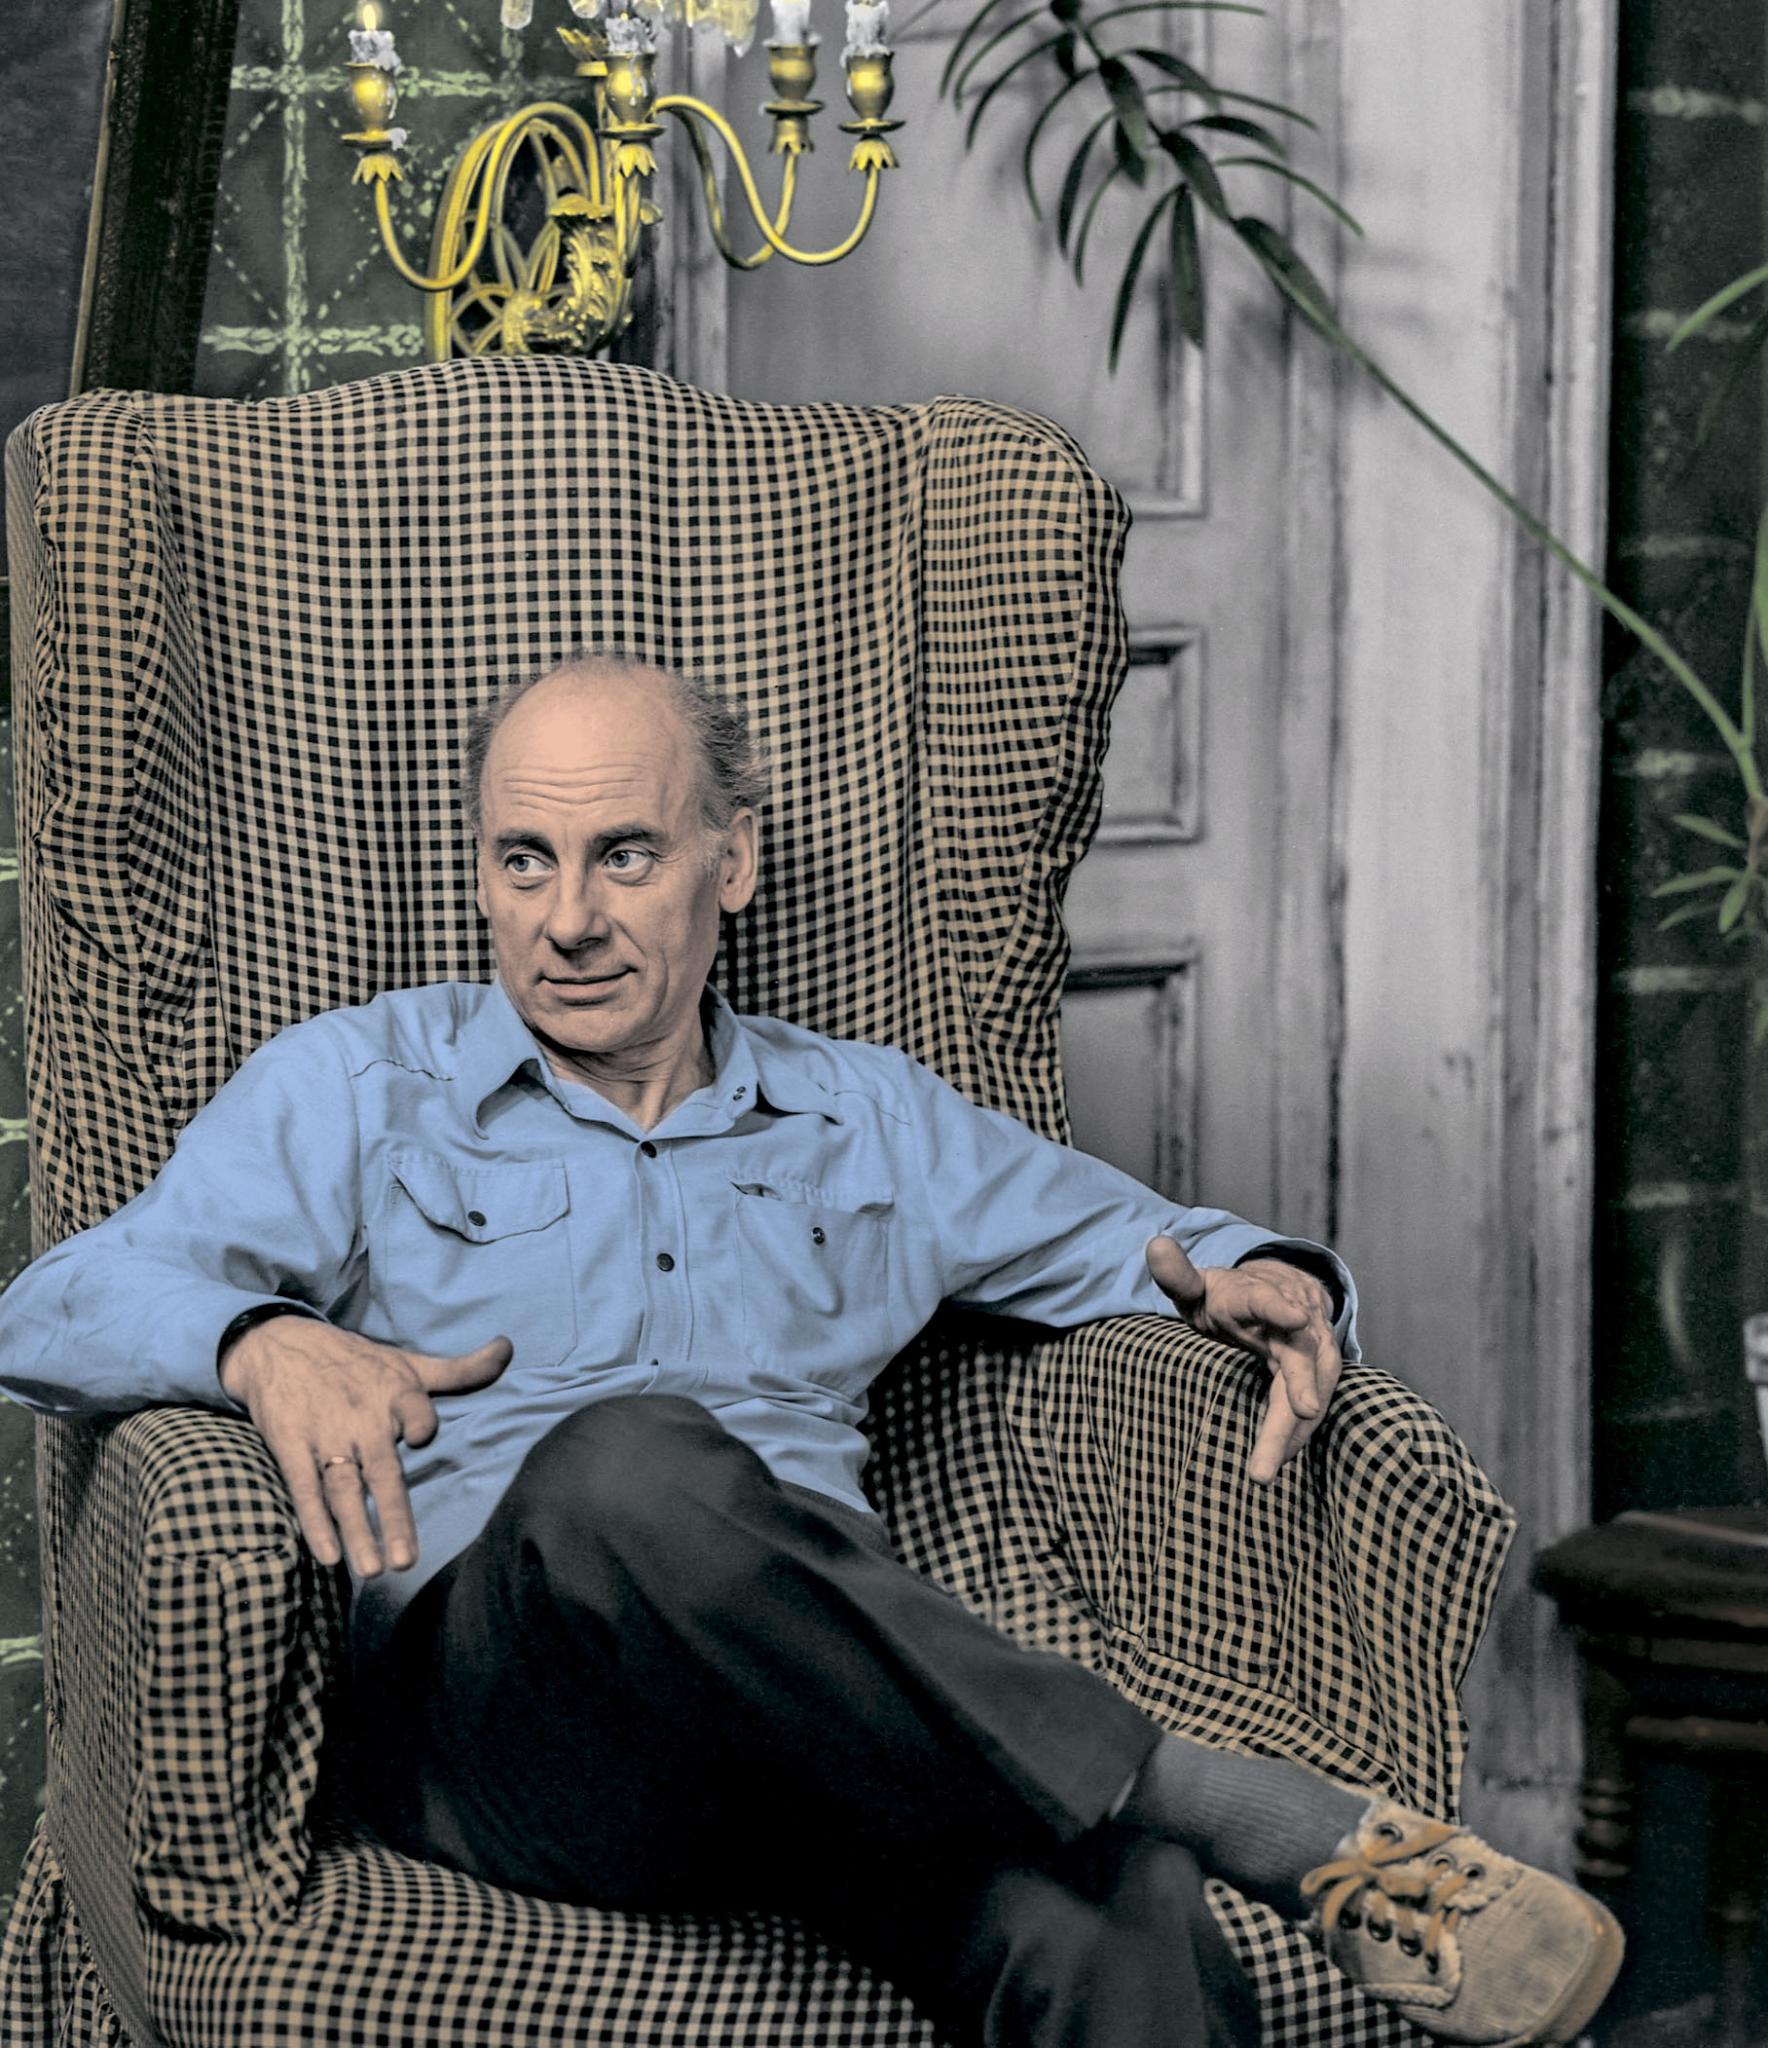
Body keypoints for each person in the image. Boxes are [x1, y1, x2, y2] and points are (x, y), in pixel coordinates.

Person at [0, 652, 1620, 2047]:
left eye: (626, 855)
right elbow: (49, 1308)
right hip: (510, 1728)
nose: (566, 921)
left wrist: (1263, 1274)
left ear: (733, 863)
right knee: (629, 1462)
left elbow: (1150, 1243)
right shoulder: (362, 1087)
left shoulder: (866, 1118)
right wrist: (258, 1336)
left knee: (1111, 1907)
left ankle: (1148, 1825)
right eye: (522, 860)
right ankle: (1238, 1805)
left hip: (822, 1722)